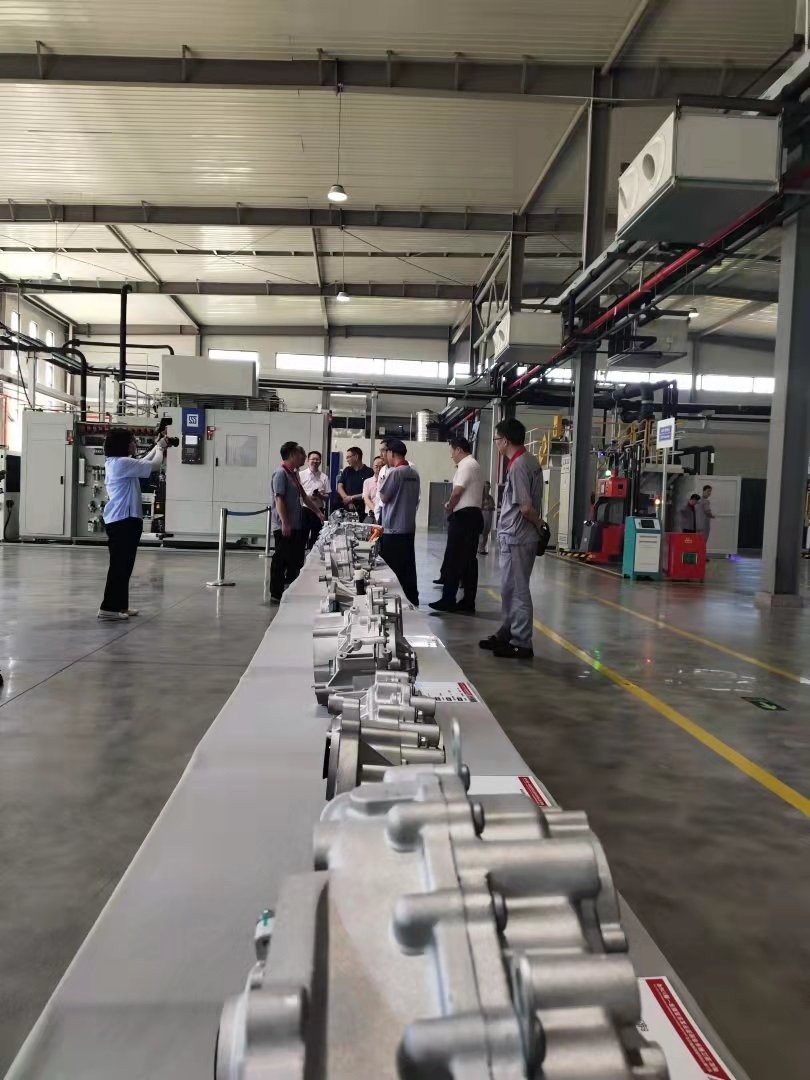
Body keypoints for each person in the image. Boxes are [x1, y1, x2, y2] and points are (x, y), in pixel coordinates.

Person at [479, 419, 544, 660]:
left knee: (517, 591)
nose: (496, 443)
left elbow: (525, 507)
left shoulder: (518, 466)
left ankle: (521, 642)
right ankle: (506, 632)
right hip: (516, 535)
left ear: (505, 440)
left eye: (496, 439)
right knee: (509, 589)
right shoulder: (530, 461)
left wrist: (540, 525)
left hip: (518, 536)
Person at [98, 427, 169, 621]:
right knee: (120, 566)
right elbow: (154, 465)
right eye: (131, 441)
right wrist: (160, 449)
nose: (134, 444)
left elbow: (144, 461)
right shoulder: (121, 463)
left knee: (124, 566)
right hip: (123, 521)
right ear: (123, 444)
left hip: (123, 521)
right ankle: (108, 608)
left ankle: (120, 605)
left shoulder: (119, 462)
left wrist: (157, 446)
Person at [429, 437, 484, 614]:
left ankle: (448, 600)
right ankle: (468, 601)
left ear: (459, 449)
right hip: (472, 516)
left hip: (464, 517)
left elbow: (457, 492)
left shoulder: (466, 465)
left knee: (454, 559)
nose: (451, 455)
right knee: (468, 561)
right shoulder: (474, 464)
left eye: (452, 451)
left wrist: (449, 507)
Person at [270, 441, 323, 602]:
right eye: (302, 454)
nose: (304, 457)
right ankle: (276, 593)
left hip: (297, 525)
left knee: (295, 560)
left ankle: (292, 590)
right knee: (281, 559)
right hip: (285, 526)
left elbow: (304, 497)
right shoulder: (280, 473)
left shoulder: (293, 474)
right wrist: (285, 523)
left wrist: (318, 512)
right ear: (293, 454)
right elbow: (279, 499)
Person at [378, 438, 420, 606]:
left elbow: (383, 497)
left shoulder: (395, 473)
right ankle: (412, 597)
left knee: (392, 568)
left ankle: (394, 601)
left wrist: (381, 480)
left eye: (385, 452)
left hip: (393, 528)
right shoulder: (414, 474)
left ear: (392, 453)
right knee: (408, 567)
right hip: (408, 527)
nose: (384, 455)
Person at [299, 449, 330, 550]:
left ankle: (313, 556)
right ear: (308, 460)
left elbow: (327, 497)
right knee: (302, 536)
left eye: (317, 459)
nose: (315, 461)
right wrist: (308, 497)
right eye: (313, 459)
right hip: (304, 509)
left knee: (316, 538)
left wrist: (320, 495)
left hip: (318, 511)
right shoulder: (300, 475)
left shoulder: (324, 477)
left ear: (320, 461)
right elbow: (297, 493)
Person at [336, 446, 374, 521]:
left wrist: (352, 498)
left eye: (348, 457)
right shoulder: (347, 470)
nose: (347, 460)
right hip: (347, 509)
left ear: (356, 457)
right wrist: (347, 499)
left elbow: (369, 493)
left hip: (363, 509)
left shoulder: (369, 472)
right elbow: (339, 486)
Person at [363, 455, 384, 523]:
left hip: (383, 515)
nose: (379, 468)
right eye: (376, 466)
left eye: (381, 466)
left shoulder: (387, 480)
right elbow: (366, 498)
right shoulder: (367, 481)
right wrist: (376, 510)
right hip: (371, 515)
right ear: (373, 467)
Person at [479, 481, 496, 555]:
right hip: (482, 516)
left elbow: (493, 507)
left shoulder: (490, 498)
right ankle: (480, 549)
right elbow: (478, 507)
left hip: (489, 517)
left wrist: (490, 508)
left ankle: (483, 547)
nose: (487, 489)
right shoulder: (480, 497)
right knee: (481, 533)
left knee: (486, 533)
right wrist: (485, 508)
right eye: (486, 487)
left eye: (489, 488)